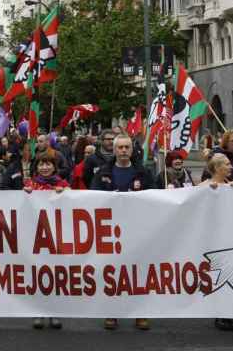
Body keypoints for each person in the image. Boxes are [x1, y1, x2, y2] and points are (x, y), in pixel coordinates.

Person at [92, 134, 151, 331]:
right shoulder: (103, 173)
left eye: (127, 147)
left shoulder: (143, 173)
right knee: (113, 273)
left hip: (137, 230)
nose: (124, 151)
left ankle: (140, 314)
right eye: (120, 148)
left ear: (132, 150)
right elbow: (91, 197)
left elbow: (156, 197)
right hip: (111, 232)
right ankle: (112, 312)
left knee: (138, 271)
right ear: (114, 150)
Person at [23, 152, 67, 330]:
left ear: (54, 167)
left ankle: (54, 312)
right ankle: (38, 312)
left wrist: (65, 193)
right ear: (37, 167)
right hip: (36, 237)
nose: (45, 167)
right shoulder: (30, 185)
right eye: (41, 164)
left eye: (48, 164)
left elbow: (75, 201)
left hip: (56, 237)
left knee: (55, 275)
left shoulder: (62, 184)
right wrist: (25, 195)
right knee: (37, 274)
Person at [203, 152, 233, 332]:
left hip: (230, 237)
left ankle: (228, 313)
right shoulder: (206, 186)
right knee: (219, 276)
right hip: (213, 238)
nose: (230, 166)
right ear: (217, 168)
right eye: (226, 164)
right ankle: (220, 314)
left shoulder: (230, 186)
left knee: (230, 276)